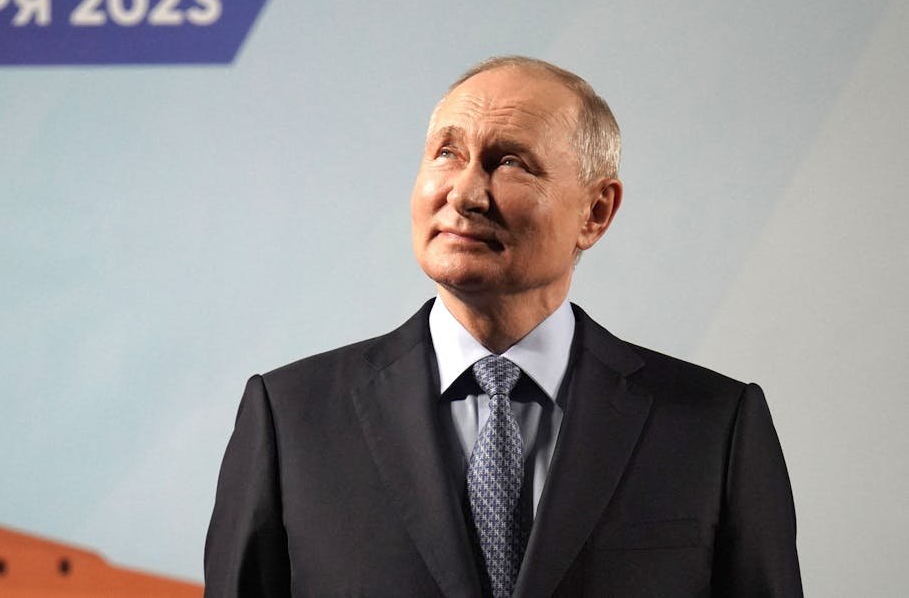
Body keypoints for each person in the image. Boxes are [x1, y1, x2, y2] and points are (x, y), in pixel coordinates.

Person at [204, 56, 801, 597]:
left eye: (509, 162)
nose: (464, 193)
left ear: (595, 212)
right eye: (447, 153)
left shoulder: (715, 426)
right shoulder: (290, 416)